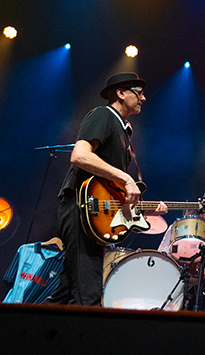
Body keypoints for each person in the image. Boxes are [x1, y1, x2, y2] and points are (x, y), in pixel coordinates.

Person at [49, 72, 166, 305]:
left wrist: (141, 208)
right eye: (139, 93)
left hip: (96, 213)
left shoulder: (124, 130)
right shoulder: (104, 115)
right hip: (82, 207)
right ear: (120, 93)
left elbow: (110, 189)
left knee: (67, 291)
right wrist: (126, 178)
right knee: (87, 296)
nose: (143, 98)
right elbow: (80, 155)